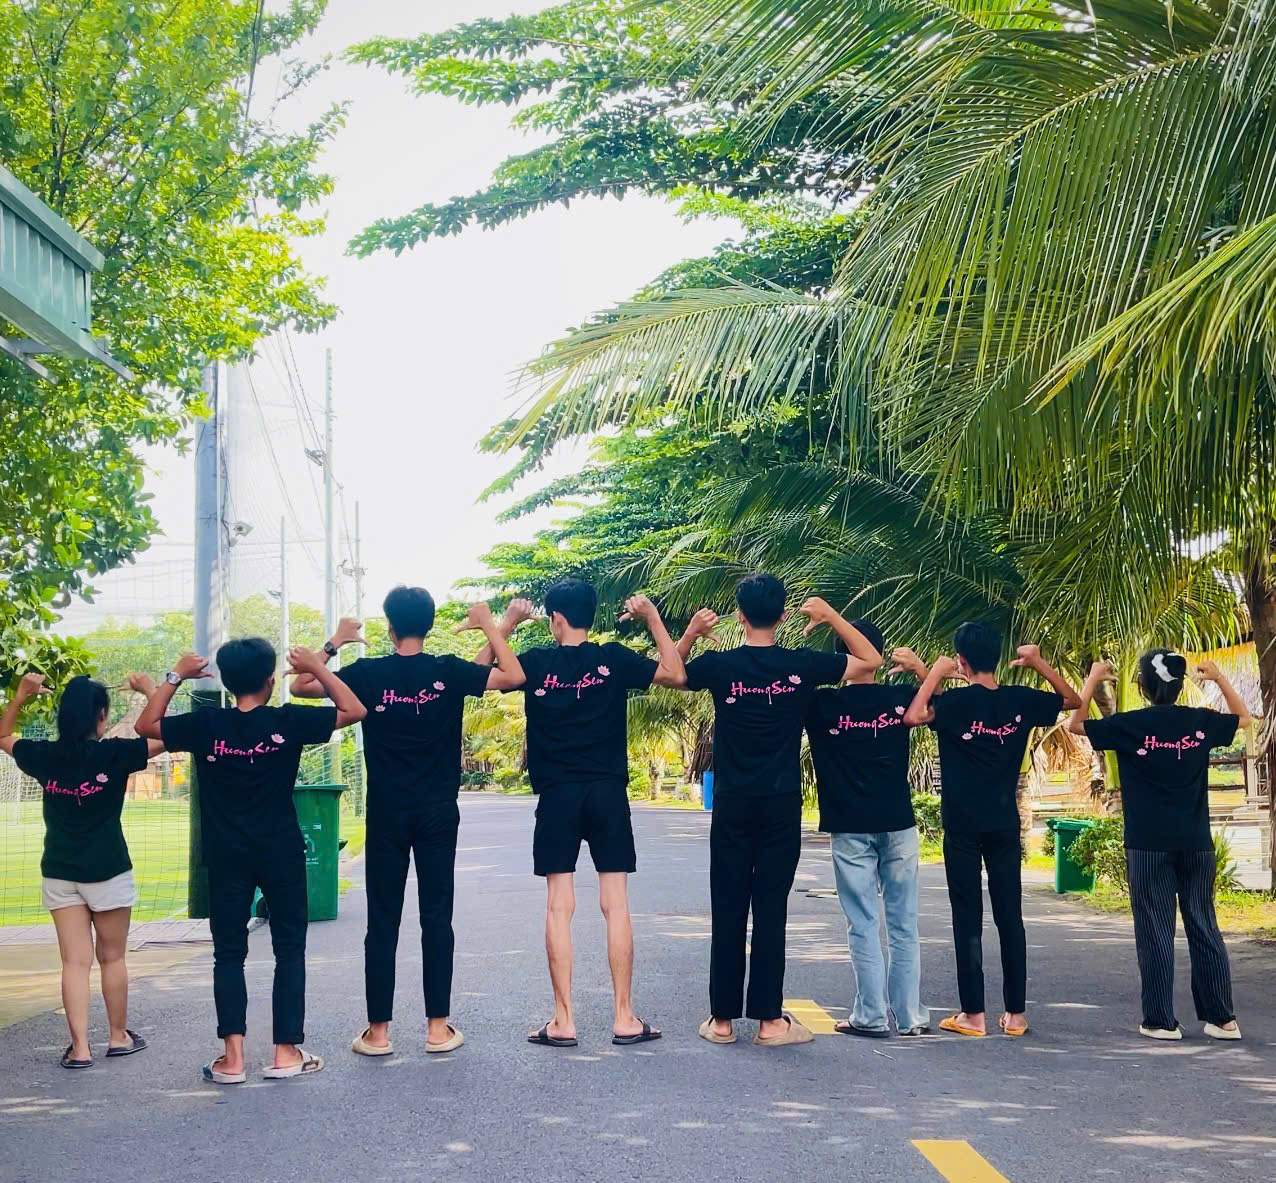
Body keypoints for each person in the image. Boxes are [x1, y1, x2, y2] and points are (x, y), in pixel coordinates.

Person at [291, 589, 524, 1057]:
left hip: (387, 813)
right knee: (437, 916)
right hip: (438, 812)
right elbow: (511, 675)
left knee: (382, 919)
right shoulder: (447, 672)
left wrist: (334, 643)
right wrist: (496, 624)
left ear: (390, 627)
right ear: (431, 625)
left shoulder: (368, 673)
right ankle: (437, 1030)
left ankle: (378, 1034)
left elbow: (302, 686)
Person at [135, 640, 366, 1083]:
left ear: (225, 681)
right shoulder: (287, 720)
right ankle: (285, 1054)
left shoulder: (207, 724)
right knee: (289, 950)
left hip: (226, 855)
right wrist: (317, 664)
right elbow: (354, 710)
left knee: (228, 953)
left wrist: (176, 675)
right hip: (280, 851)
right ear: (269, 680)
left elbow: (146, 724)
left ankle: (233, 1060)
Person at [479, 580, 684, 1048]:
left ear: (555, 619)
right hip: (608, 793)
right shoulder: (614, 658)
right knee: (616, 904)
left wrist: (505, 624)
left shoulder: (534, 664)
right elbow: (675, 672)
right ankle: (624, 1018)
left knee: (559, 905)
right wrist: (652, 617)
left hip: (557, 796)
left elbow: (476, 677)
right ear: (591, 616)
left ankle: (564, 1021)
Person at [677, 578, 881, 1048]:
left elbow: (670, 672)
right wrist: (831, 617)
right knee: (771, 907)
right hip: (781, 801)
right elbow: (870, 660)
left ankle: (722, 1021)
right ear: (784, 616)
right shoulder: (802, 664)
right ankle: (770, 1021)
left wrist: (689, 634)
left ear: (739, 616)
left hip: (732, 802)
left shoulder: (721, 665)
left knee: (728, 905)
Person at [905, 622, 1080, 1038]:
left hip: (962, 826)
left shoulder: (955, 704)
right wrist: (1038, 663)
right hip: (1004, 823)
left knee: (967, 919)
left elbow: (914, 714)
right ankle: (1016, 1015)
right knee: (1009, 917)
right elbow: (1071, 700)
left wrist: (933, 671)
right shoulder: (1019, 700)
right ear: (998, 658)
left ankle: (974, 1016)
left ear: (961, 661)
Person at [1067, 652, 1249, 1041]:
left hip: (1148, 844)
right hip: (1196, 843)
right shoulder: (1199, 721)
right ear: (1180, 685)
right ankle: (1222, 1019)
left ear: (1143, 687)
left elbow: (1076, 724)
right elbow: (1244, 719)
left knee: (1155, 929)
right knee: (1204, 924)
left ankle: (1161, 1021)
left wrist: (1093, 678)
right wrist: (1218, 679)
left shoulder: (1130, 725)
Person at [0, 672, 162, 1068]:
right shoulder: (116, 754)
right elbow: (169, 735)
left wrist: (20, 696)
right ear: (101, 715)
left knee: (74, 962)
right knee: (112, 958)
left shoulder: (43, 755)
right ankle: (118, 1037)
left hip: (60, 872)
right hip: (109, 869)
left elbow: (3, 736)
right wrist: (150, 691)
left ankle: (80, 1048)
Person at [805, 625, 931, 1038]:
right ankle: (910, 1017)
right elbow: (940, 707)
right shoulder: (901, 698)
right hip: (898, 824)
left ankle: (872, 1016)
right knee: (903, 923)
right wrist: (921, 669)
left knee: (862, 923)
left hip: (849, 826)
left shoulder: (821, 703)